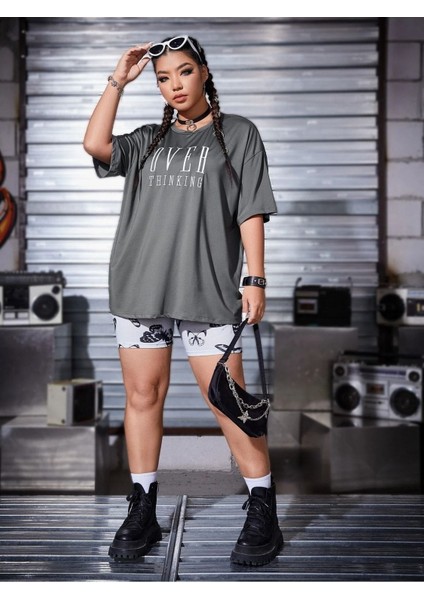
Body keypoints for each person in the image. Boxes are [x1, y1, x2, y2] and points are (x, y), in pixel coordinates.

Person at [83, 34, 283, 567]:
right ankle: (143, 507)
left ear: (204, 72)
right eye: (163, 78)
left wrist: (255, 277)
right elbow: (96, 145)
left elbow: (250, 208)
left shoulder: (238, 133)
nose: (174, 85)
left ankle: (263, 507)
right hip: (140, 287)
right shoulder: (148, 139)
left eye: (185, 72)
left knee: (226, 400)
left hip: (207, 287)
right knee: (142, 396)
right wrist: (118, 81)